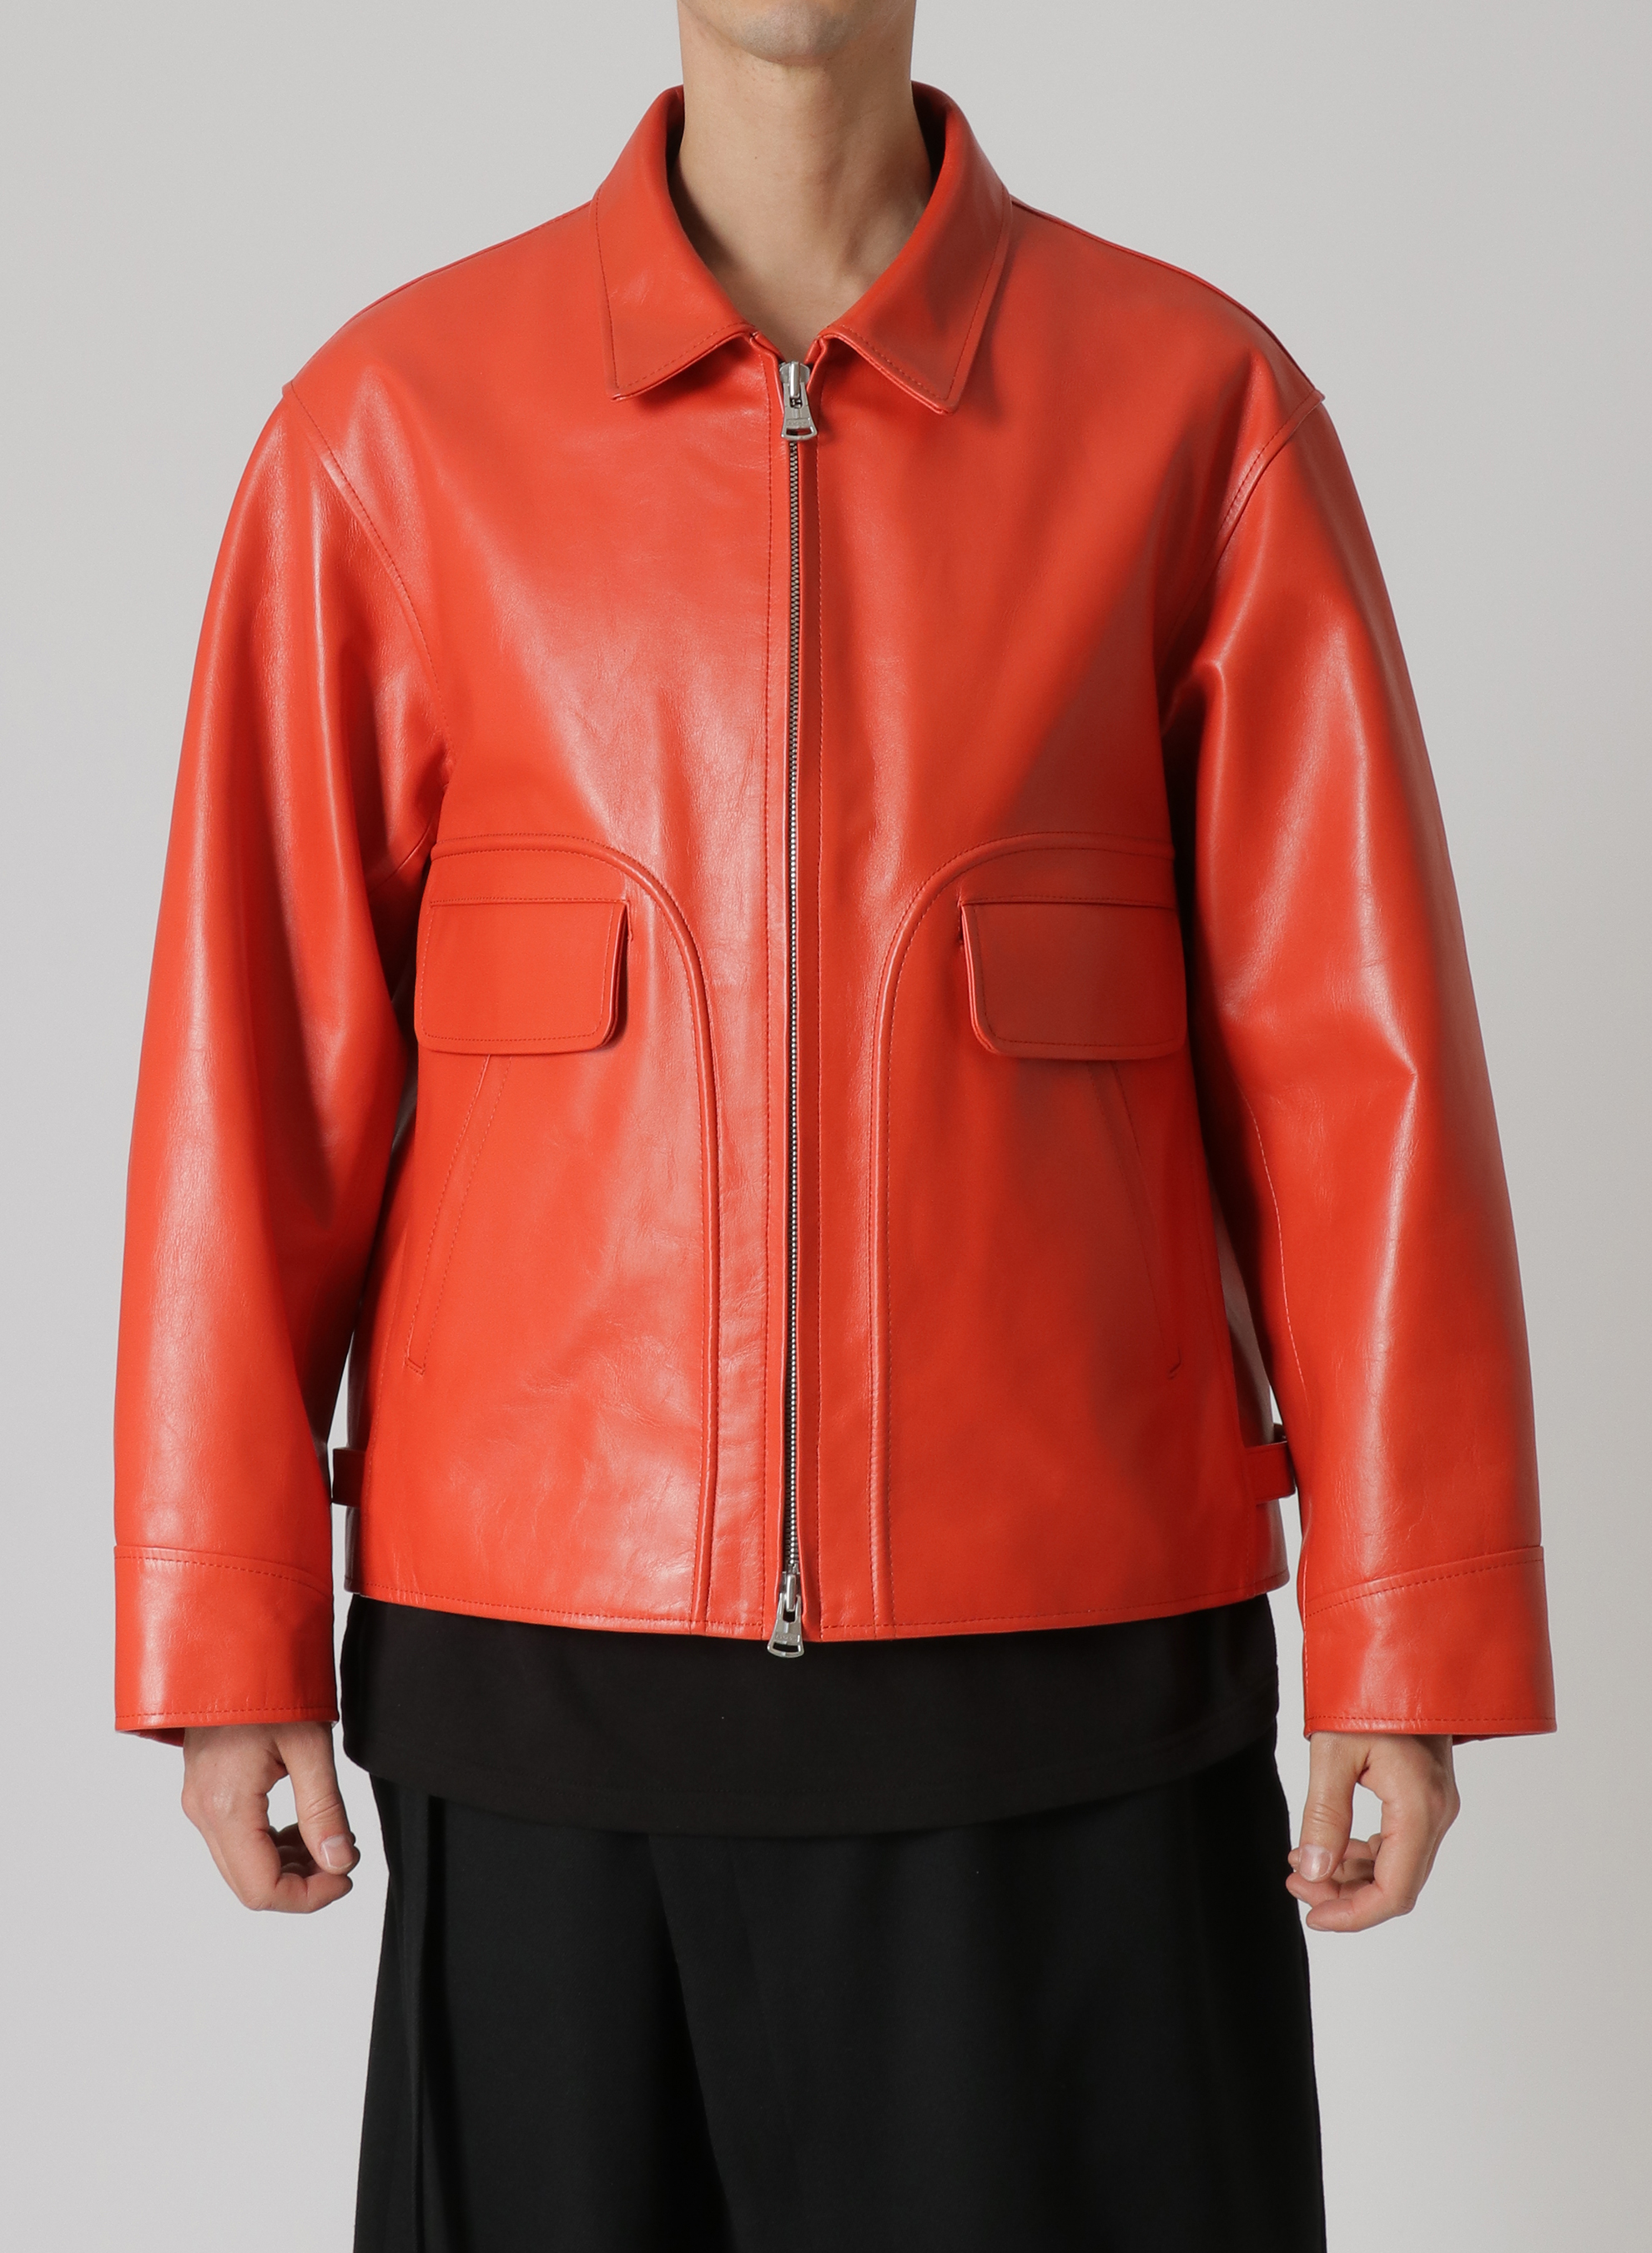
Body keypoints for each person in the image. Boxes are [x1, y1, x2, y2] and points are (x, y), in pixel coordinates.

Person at [113, 3, 1555, 2246]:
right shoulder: (389, 427)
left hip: (1065, 1691)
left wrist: (1414, 1620)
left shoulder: (1195, 412)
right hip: (541, 1698)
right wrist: (223, 1629)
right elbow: (253, 1063)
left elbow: (1355, 1064)